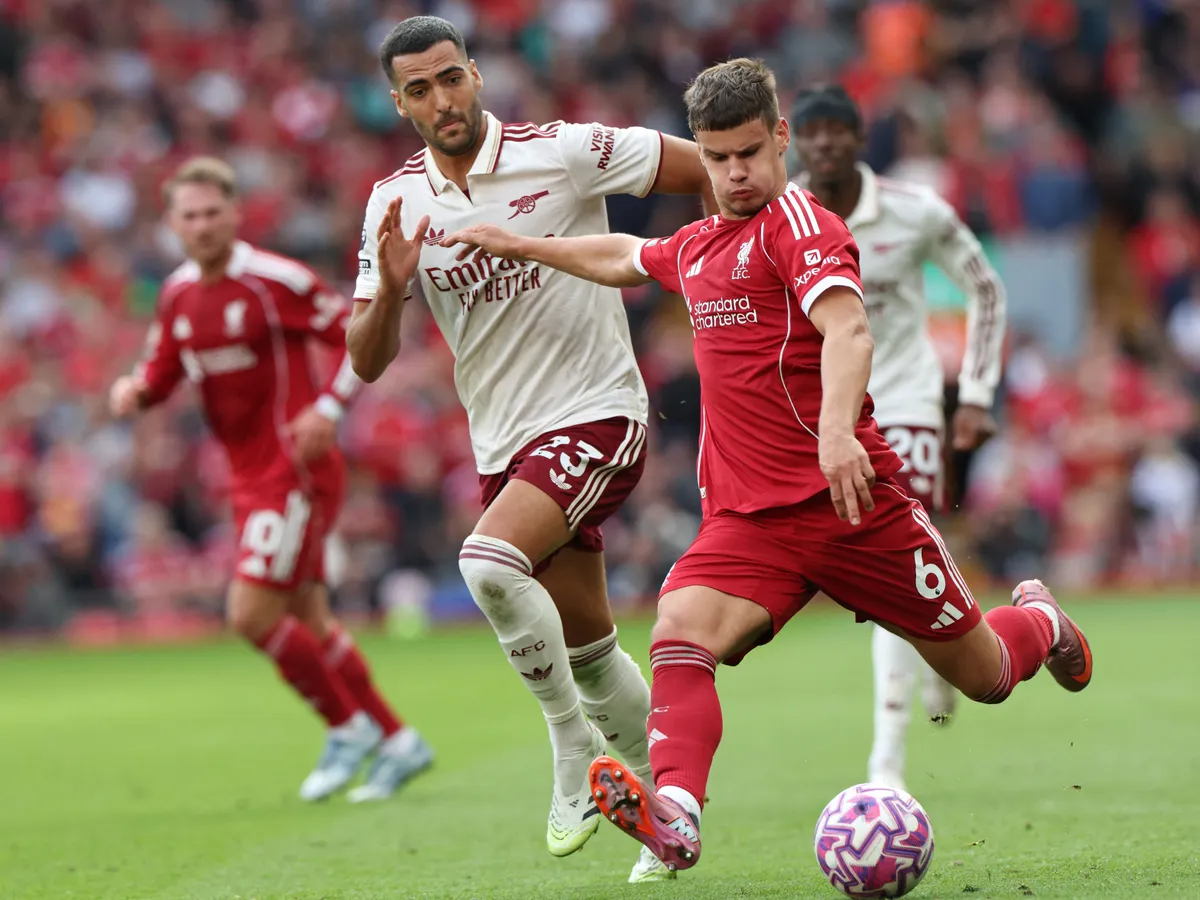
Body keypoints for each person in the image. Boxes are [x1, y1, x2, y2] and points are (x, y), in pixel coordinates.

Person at [435, 57, 1093, 874]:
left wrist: (834, 431)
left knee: (986, 676)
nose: (734, 174)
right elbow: (623, 255)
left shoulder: (802, 226)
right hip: (751, 522)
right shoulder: (705, 244)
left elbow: (849, 331)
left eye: (748, 152)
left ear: (780, 139)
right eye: (715, 159)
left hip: (854, 503)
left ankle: (1042, 621)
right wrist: (515, 242)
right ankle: (676, 813)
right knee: (679, 631)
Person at [343, 16, 713, 881]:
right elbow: (365, 362)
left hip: (600, 412)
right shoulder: (392, 204)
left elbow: (710, 171)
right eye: (421, 89)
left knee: (486, 564)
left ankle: (571, 754)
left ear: (476, 74)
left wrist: (709, 287)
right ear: (400, 104)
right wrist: (391, 294)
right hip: (504, 442)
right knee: (586, 649)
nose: (443, 100)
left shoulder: (566, 149)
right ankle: (670, 821)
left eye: (452, 78)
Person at [109, 157, 431, 804]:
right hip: (247, 477)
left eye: (212, 212)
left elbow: (357, 335)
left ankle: (348, 726)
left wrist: (330, 407)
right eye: (189, 216)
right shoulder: (177, 295)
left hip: (295, 470)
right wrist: (135, 391)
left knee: (251, 613)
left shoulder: (272, 280)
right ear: (171, 223)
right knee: (309, 619)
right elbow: (163, 368)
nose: (201, 226)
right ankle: (398, 742)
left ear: (235, 214)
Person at [790, 84, 1008, 790]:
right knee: (886, 568)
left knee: (887, 562)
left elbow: (986, 287)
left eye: (837, 130)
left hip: (908, 404)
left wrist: (973, 394)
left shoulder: (915, 212)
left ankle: (886, 760)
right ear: (798, 141)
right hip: (829, 417)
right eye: (812, 131)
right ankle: (947, 643)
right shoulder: (781, 216)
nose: (823, 143)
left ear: (859, 140)